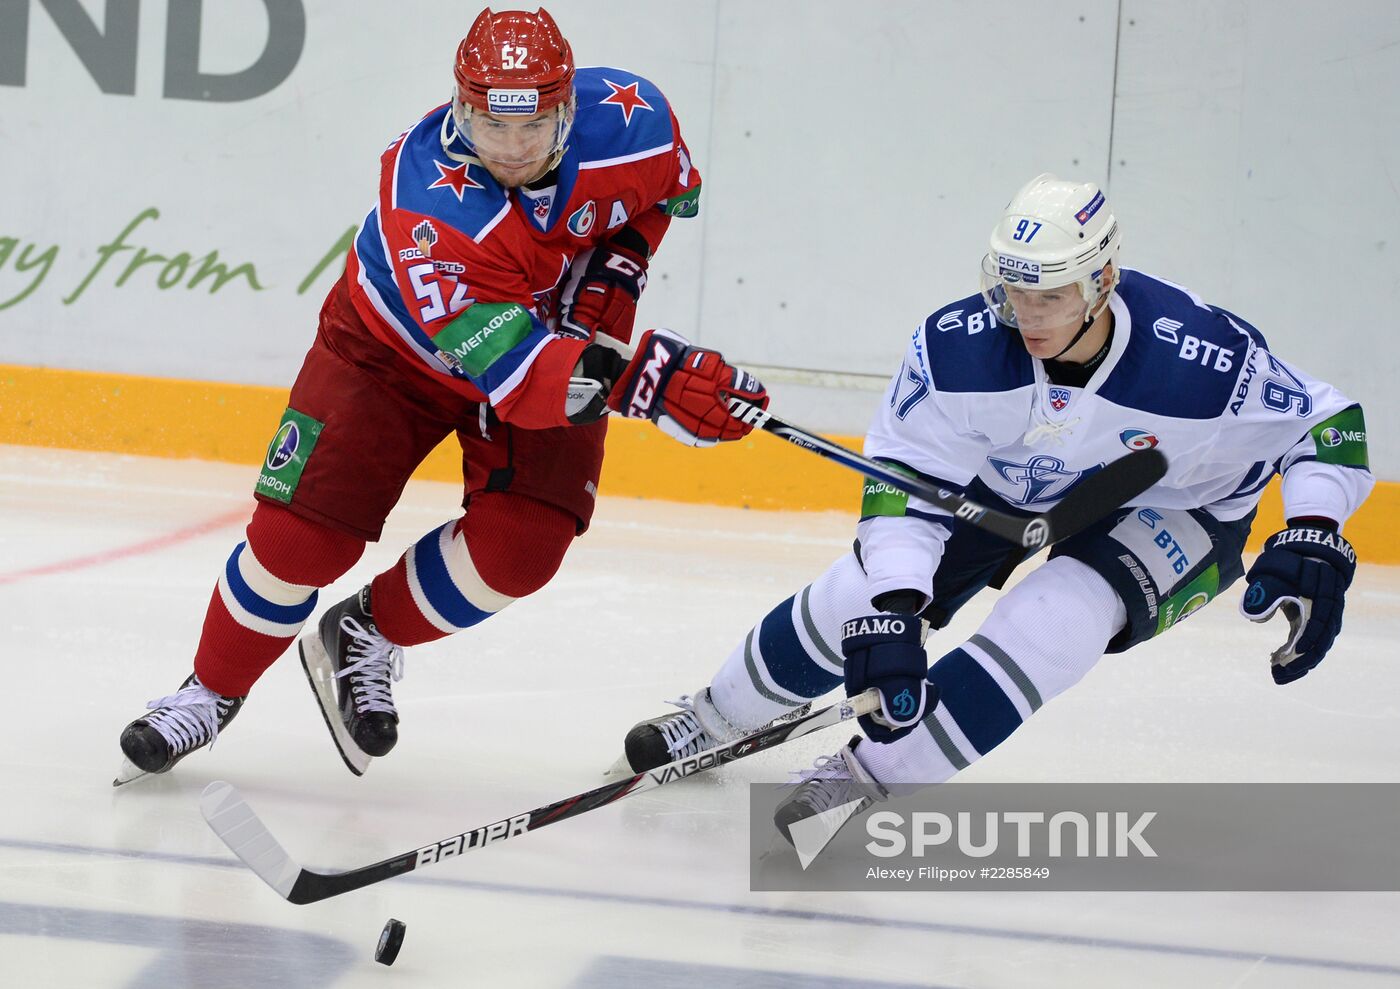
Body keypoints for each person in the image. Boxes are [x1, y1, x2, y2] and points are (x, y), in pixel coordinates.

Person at [616, 173, 1373, 847]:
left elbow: (1326, 422)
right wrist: (896, 607)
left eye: (1051, 294)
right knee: (856, 596)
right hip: (1022, 481)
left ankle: (868, 776)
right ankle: (715, 718)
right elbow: (905, 484)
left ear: (1103, 280)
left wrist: (1312, 524)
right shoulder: (958, 350)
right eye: (1015, 290)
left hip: (1183, 503)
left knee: (1058, 619)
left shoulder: (1200, 360)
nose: (1028, 314)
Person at [116, 7, 766, 783]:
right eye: (492, 127)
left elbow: (658, 201)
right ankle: (209, 691)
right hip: (391, 354)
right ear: (461, 108)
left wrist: (611, 284)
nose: (514, 150)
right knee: (300, 541)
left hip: (548, 345)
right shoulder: (428, 203)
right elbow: (520, 382)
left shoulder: (638, 121)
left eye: (535, 127)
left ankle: (364, 632)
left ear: (568, 109)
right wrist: (645, 379)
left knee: (522, 548)